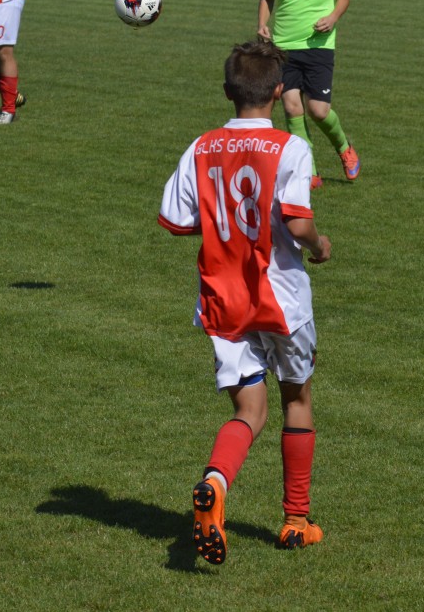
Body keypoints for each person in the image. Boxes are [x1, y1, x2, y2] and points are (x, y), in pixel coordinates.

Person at [158, 41, 333, 565]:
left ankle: (215, 482)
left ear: (227, 91)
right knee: (296, 398)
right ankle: (296, 522)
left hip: (222, 299)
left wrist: (222, 221)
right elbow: (297, 222)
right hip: (280, 299)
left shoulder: (201, 147)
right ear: (279, 92)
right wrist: (320, 245)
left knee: (248, 410)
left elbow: (175, 220)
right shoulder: (290, 148)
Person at [258, 0, 360, 190]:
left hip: (319, 45)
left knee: (318, 110)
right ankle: (309, 171)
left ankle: (344, 148)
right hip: (284, 45)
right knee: (292, 108)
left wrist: (333, 17)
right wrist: (262, 24)